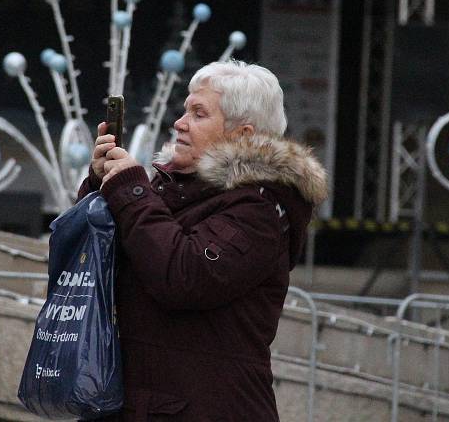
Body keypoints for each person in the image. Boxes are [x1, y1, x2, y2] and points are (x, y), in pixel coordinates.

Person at [77, 60, 328, 422]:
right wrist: (100, 188)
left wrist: (131, 189)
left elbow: (183, 276)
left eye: (198, 113)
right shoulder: (167, 193)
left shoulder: (258, 210)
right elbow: (85, 266)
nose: (179, 123)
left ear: (242, 135)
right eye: (184, 110)